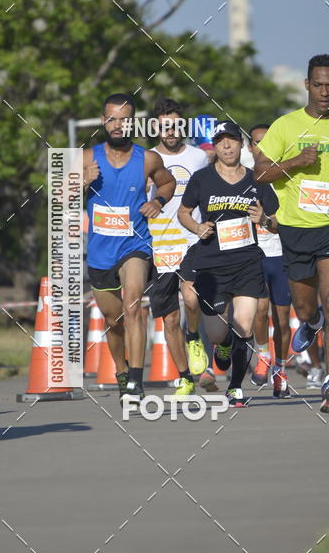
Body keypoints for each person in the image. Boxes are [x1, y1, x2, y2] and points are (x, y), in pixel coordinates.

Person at [253, 54, 329, 411]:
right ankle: (311, 321)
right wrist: (296, 162)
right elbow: (260, 173)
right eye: (317, 85)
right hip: (296, 230)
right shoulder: (285, 126)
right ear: (306, 84)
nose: (324, 92)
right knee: (305, 309)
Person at [178, 120, 279, 407]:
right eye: (221, 140)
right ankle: (221, 345)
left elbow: (276, 223)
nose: (226, 145)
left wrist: (265, 220)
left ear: (240, 144)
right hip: (211, 265)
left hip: (247, 262)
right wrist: (197, 228)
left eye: (232, 140)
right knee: (218, 332)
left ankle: (235, 388)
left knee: (244, 326)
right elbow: (184, 212)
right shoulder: (202, 179)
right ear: (215, 145)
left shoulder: (257, 179)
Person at [84, 93, 175, 403]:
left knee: (133, 305)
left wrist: (157, 201)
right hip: (100, 251)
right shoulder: (86, 157)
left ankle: (136, 380)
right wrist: (82, 182)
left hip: (135, 244)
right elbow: (58, 197)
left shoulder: (147, 159)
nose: (118, 125)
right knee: (114, 320)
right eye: (112, 119)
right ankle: (121, 371)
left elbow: (167, 183)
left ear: (133, 123)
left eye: (124, 120)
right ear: (103, 121)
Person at [147, 98, 210, 398]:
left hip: (192, 241)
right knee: (170, 318)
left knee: (192, 299)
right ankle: (185, 377)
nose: (170, 131)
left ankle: (194, 335)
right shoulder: (148, 159)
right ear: (156, 127)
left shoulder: (199, 157)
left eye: (175, 125)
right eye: (164, 126)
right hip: (160, 244)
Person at [249, 124, 293, 398]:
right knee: (259, 310)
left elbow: (286, 221)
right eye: (256, 143)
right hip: (253, 255)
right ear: (249, 147)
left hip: (281, 254)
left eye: (267, 142)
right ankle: (263, 354)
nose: (261, 147)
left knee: (283, 320)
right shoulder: (243, 178)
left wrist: (267, 220)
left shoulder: (285, 179)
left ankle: (281, 368)